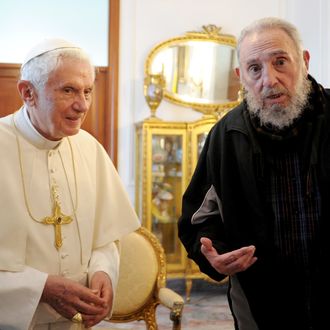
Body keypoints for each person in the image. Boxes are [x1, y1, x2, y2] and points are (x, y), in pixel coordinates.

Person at [178, 17, 330, 330]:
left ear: (303, 61)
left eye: (280, 61)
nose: (269, 79)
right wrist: (214, 254)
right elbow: (198, 219)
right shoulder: (226, 135)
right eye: (255, 68)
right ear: (241, 77)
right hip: (262, 302)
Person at [0, 38, 140, 329]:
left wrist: (103, 272)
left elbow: (106, 237)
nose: (82, 105)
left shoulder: (90, 148)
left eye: (87, 91)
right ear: (28, 92)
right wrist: (40, 287)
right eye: (68, 90)